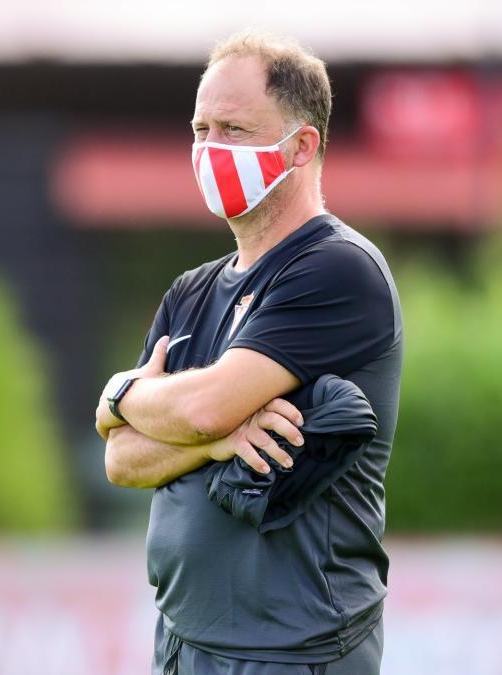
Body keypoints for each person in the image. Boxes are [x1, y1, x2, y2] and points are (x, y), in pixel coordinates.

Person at [94, 30, 404, 675]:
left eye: (233, 129)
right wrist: (212, 442)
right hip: (184, 644)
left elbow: (204, 405)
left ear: (302, 147)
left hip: (298, 652)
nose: (209, 149)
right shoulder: (192, 291)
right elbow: (122, 458)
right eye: (200, 128)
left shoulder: (339, 271)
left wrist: (126, 395)